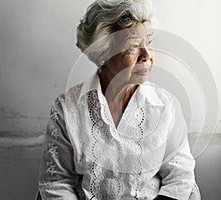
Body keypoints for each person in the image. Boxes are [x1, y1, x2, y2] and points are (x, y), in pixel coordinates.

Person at [37, 0, 201, 199]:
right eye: (133, 46)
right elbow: (56, 182)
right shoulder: (67, 109)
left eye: (149, 42)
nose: (146, 55)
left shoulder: (166, 106)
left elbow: (180, 177)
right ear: (103, 53)